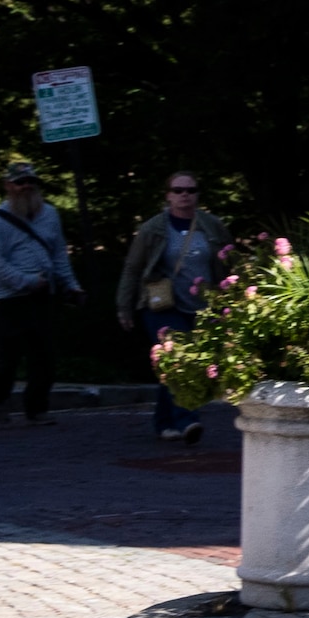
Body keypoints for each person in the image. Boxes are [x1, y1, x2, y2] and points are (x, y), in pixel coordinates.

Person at [115, 170, 225, 444]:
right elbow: (132, 268)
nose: (184, 195)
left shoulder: (212, 226)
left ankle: (164, 422)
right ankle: (188, 420)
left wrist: (229, 301)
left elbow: (226, 262)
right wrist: (124, 307)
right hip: (162, 306)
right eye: (177, 190)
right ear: (168, 196)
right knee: (178, 361)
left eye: (190, 190)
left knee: (183, 365)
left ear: (198, 194)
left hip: (202, 307)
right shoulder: (153, 228)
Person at [0, 166, 78, 425]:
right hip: (7, 297)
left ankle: (37, 408)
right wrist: (27, 281)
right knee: (10, 354)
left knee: (44, 356)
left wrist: (71, 285)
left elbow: (58, 255)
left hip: (44, 294)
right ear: (8, 186)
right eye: (20, 182)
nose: (26, 186)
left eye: (31, 181)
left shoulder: (50, 215)